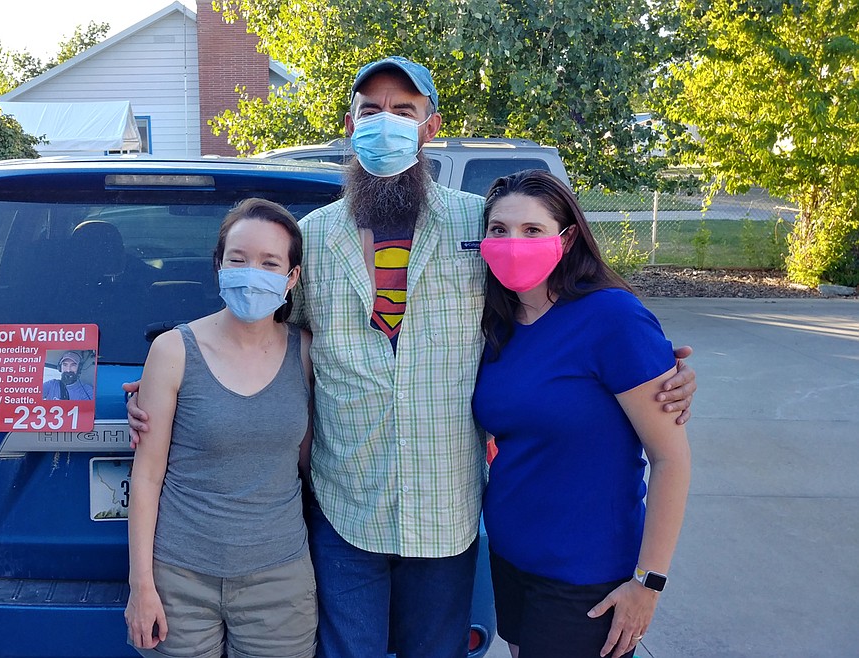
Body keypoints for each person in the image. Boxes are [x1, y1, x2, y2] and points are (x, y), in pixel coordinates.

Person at [127, 56, 697, 658]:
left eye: (403, 111)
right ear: (349, 126)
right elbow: (261, 333)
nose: (385, 122)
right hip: (346, 504)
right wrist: (176, 379)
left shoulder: (478, 225)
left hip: (443, 506)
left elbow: (546, 309)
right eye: (370, 111)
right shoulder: (313, 238)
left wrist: (658, 367)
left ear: (430, 126)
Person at [472, 169, 691, 658]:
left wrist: (648, 582)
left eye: (533, 230)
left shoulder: (613, 318)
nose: (513, 242)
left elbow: (671, 458)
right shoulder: (496, 323)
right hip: (511, 556)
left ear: (567, 239)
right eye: (499, 230)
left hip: (585, 575)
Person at [124, 198, 317, 658]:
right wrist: (141, 587)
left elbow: (309, 464)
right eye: (238, 259)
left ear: (291, 278)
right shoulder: (173, 351)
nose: (252, 271)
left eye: (270, 263)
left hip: (280, 584)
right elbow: (147, 478)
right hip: (180, 581)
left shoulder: (307, 354)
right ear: (219, 266)